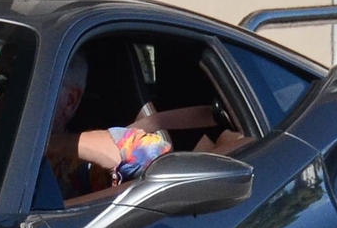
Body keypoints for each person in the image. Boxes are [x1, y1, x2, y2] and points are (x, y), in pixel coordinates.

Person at [37, 52, 245, 208]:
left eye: (9, 82)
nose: (2, 94)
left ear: (69, 101)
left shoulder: (79, 163)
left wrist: (35, 144)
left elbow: (150, 153)